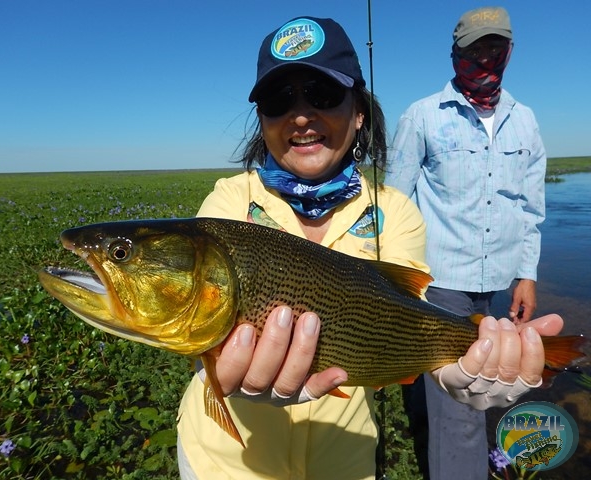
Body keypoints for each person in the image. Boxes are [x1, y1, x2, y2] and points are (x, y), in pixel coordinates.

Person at [176, 15, 555, 480]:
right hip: (224, 463)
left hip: (344, 462)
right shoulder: (228, 202)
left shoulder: (394, 213)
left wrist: (461, 372)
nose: (300, 115)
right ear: (263, 119)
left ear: (358, 111)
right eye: (279, 99)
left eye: (323, 94)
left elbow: (409, 324)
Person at [385, 6, 547, 480]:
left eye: (495, 47)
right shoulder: (422, 116)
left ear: (510, 51)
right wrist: (396, 282)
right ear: (456, 54)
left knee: (474, 382)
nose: (485, 57)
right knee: (463, 405)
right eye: (475, 49)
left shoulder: (526, 122)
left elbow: (531, 210)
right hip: (438, 280)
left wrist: (527, 275)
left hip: (495, 282)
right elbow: (395, 202)